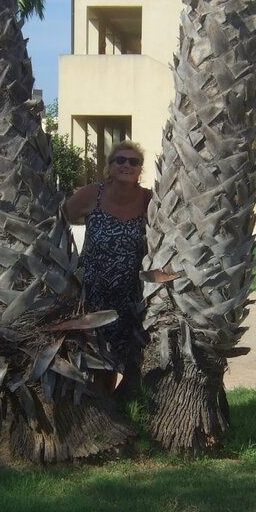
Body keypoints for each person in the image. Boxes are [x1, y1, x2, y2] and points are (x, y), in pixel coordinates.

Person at [64, 141, 152, 393]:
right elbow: (59, 219)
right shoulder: (93, 193)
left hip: (130, 292)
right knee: (95, 353)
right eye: (120, 160)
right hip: (93, 290)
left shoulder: (148, 199)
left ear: (140, 169)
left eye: (134, 162)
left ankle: (118, 401)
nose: (127, 165)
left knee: (126, 354)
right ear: (110, 167)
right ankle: (95, 400)